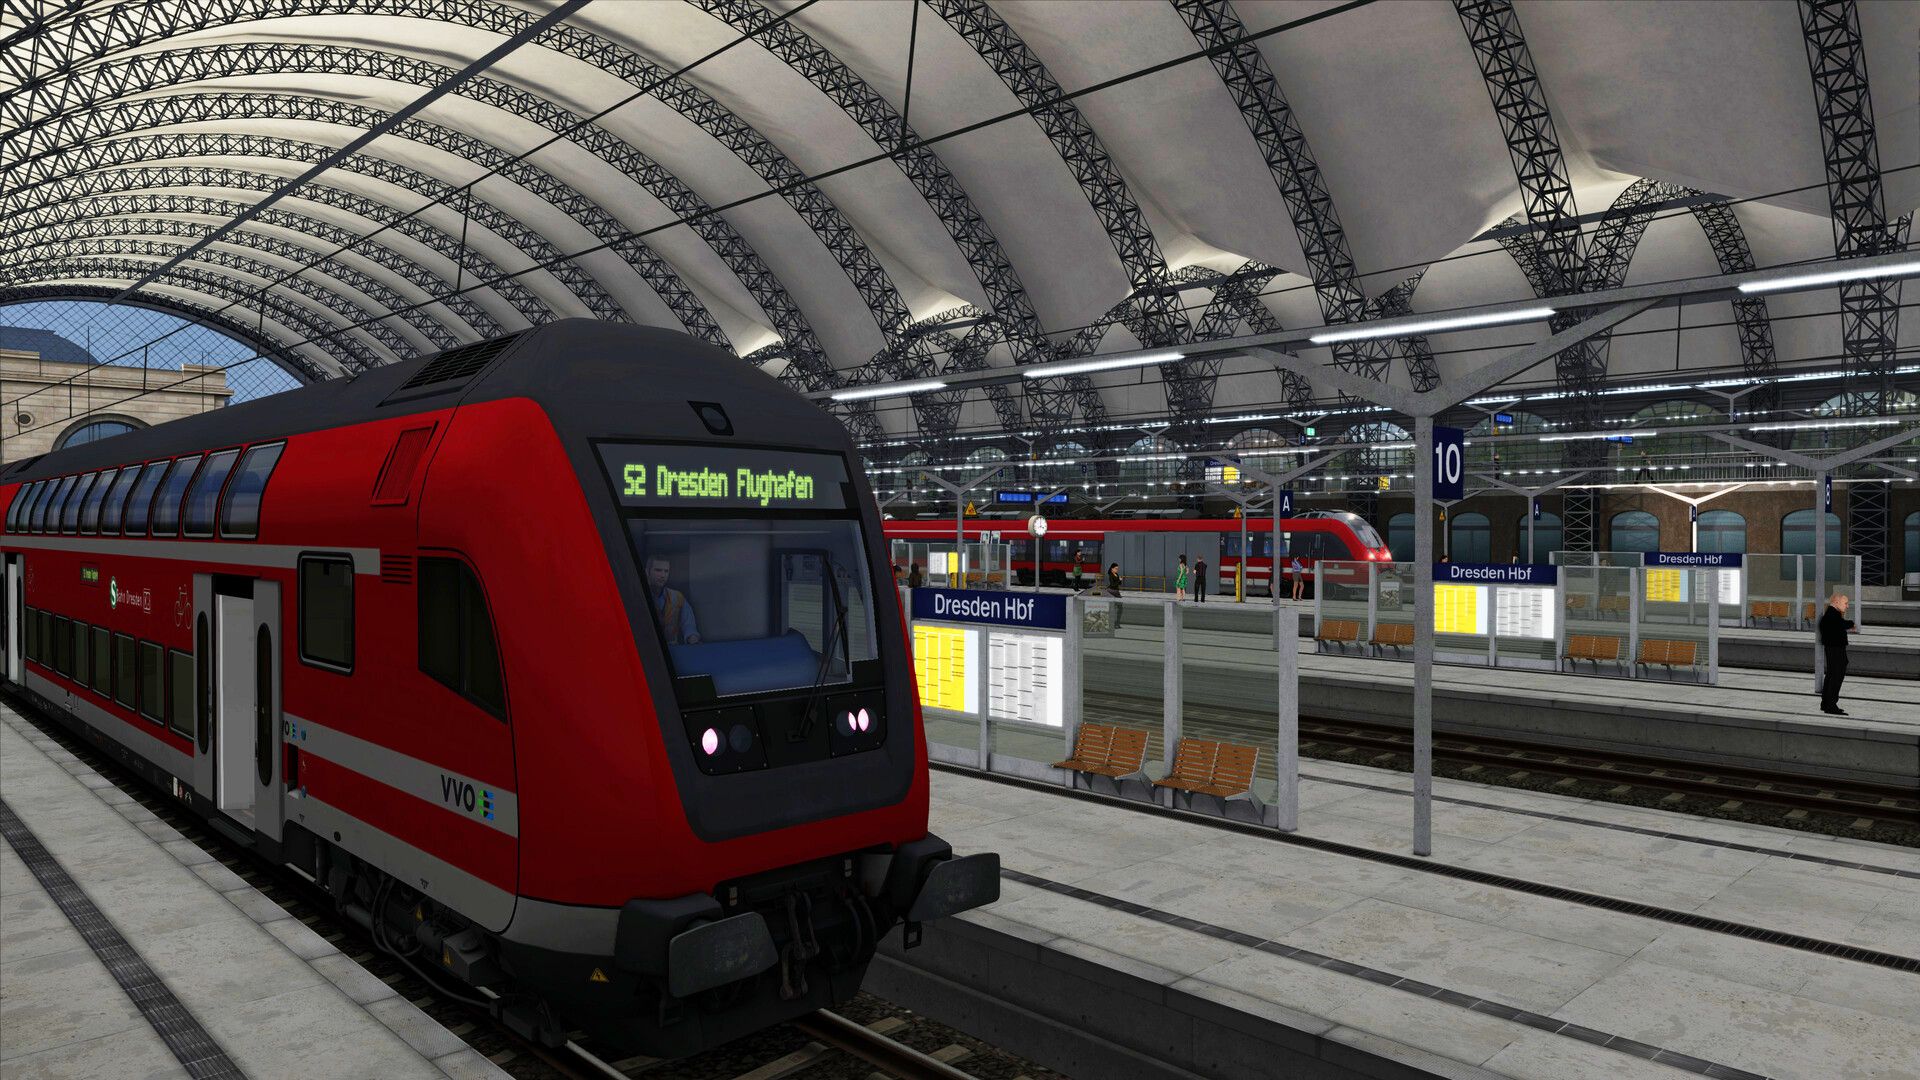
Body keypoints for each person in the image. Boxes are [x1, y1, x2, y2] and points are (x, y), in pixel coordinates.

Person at [646, 554, 700, 644]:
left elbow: (688, 625)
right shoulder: (638, 596)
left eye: (666, 571)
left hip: (671, 651)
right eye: (658, 570)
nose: (663, 575)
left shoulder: (677, 597)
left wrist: (692, 638)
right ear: (647, 571)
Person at [1818, 590, 1855, 715]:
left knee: (1831, 675)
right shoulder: (1832, 615)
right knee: (1836, 676)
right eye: (1845, 603)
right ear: (1836, 602)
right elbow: (1840, 625)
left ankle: (1826, 703)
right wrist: (1851, 623)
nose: (1847, 605)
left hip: (1834, 648)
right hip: (1836, 649)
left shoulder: (1832, 614)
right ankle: (1831, 705)